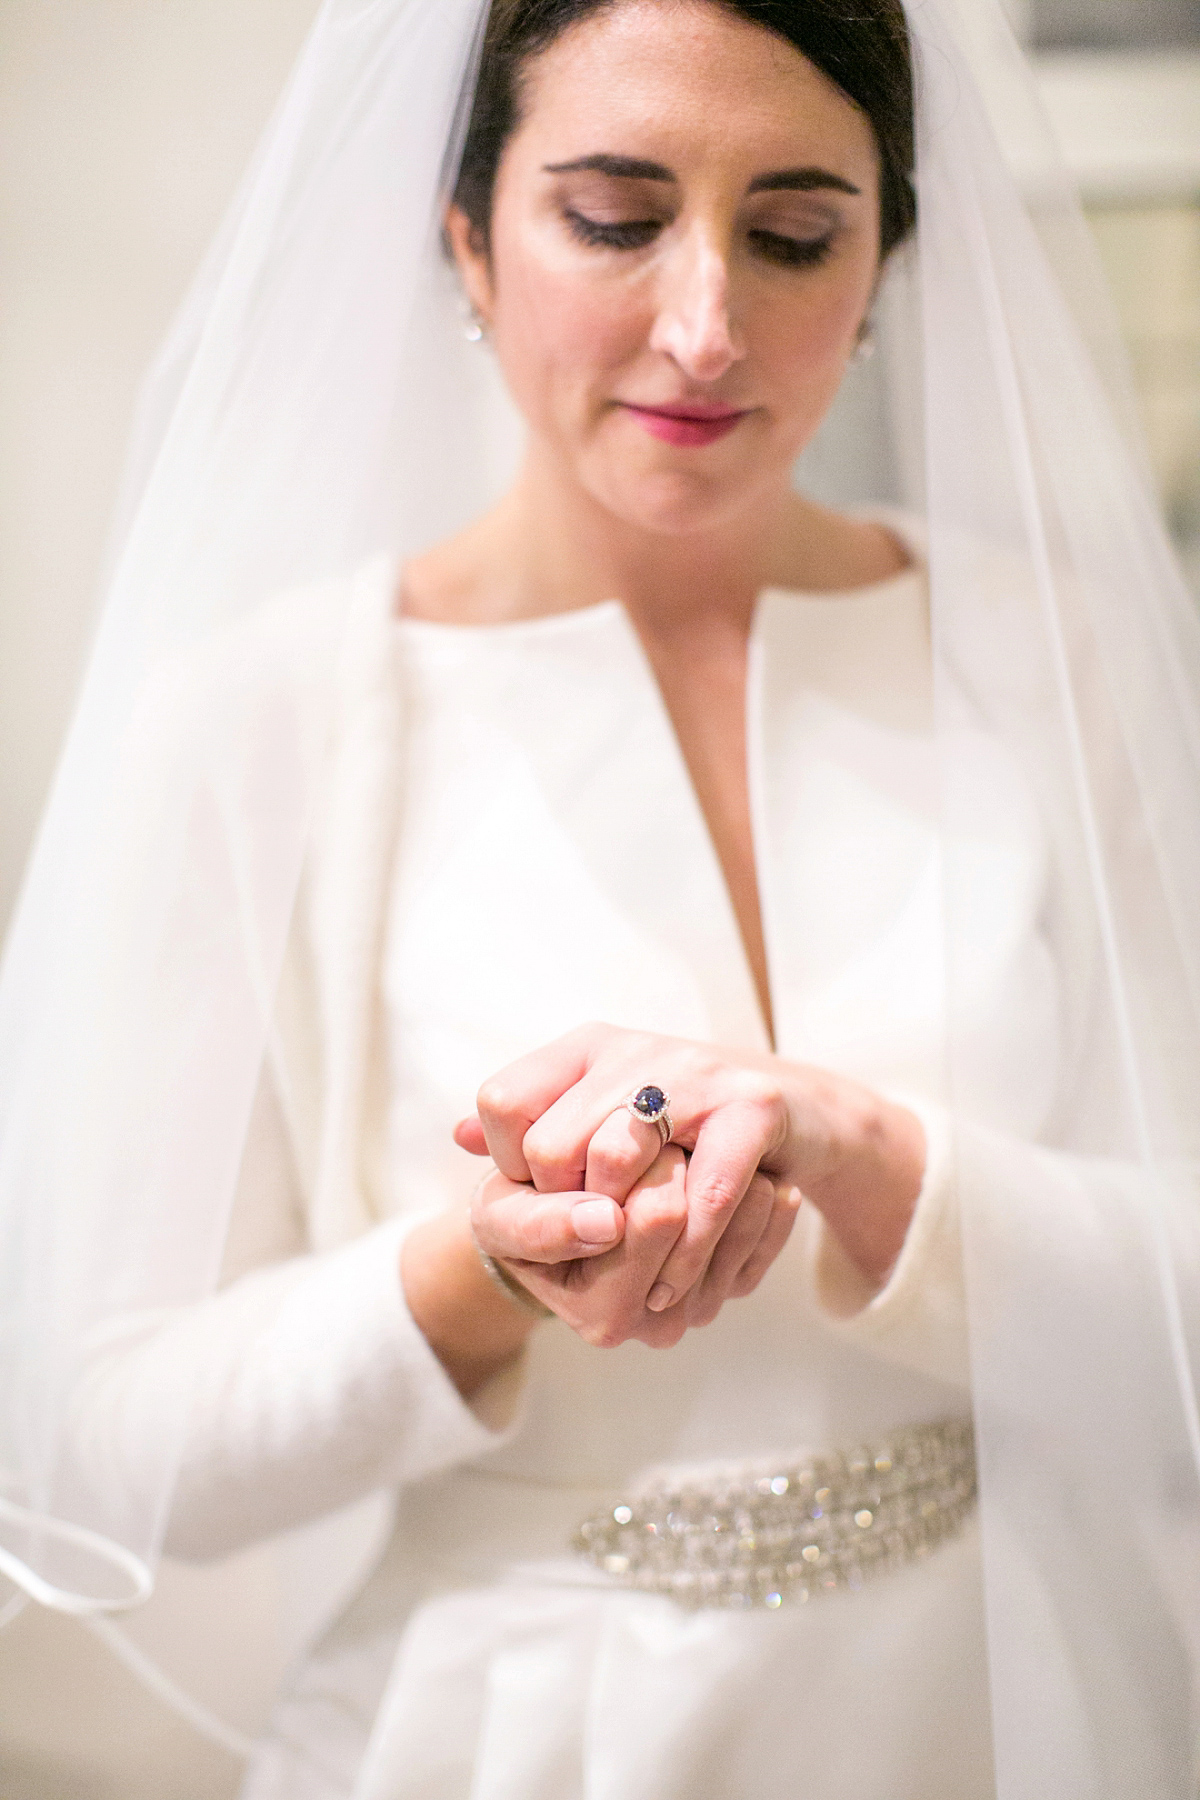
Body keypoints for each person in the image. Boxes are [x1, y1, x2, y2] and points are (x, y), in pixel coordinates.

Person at [2, 0, 1199, 1796]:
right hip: (509, 1738)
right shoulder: (262, 726)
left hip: (1021, 1707)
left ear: (885, 261)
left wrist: (870, 1155)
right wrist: (479, 1274)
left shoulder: (1070, 663)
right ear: (467, 233)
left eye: (796, 235)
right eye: (617, 218)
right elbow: (93, 1453)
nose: (706, 328)